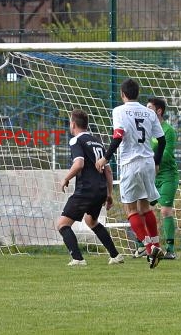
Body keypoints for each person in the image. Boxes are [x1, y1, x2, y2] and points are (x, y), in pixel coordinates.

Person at [95, 78, 167, 269]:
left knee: (131, 210)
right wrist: (157, 162)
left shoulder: (119, 110)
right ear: (138, 93)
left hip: (130, 163)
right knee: (145, 208)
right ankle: (157, 245)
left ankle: (149, 247)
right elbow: (162, 140)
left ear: (122, 94)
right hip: (148, 163)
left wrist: (105, 158)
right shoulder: (149, 112)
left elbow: (118, 136)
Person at [58, 109, 124, 266]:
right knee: (91, 221)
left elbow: (79, 163)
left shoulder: (76, 141)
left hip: (86, 190)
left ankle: (78, 259)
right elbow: (107, 170)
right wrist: (108, 194)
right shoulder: (97, 142)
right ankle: (115, 255)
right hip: (100, 190)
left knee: (62, 224)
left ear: (73, 124)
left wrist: (66, 178)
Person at [132, 97, 179, 259]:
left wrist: (148, 160)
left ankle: (170, 250)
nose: (146, 110)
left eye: (149, 108)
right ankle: (143, 245)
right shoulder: (146, 129)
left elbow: (165, 155)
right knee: (140, 209)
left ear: (159, 111)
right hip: (150, 175)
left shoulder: (168, 130)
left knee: (165, 210)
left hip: (166, 176)